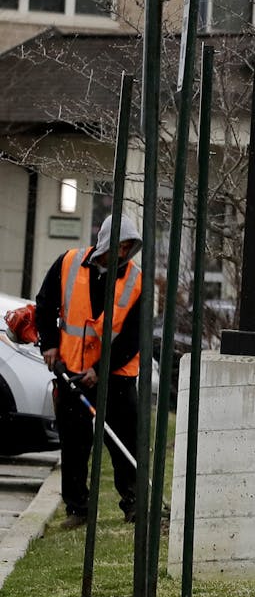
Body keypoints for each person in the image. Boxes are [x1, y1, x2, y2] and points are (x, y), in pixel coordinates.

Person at [35, 214, 143, 530]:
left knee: (125, 440)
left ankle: (134, 504)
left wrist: (101, 369)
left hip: (117, 376)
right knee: (74, 443)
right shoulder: (67, 263)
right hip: (71, 372)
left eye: (127, 247)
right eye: (118, 246)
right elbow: (45, 304)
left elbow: (133, 336)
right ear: (105, 242)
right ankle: (78, 509)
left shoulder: (136, 281)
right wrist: (49, 345)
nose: (122, 253)